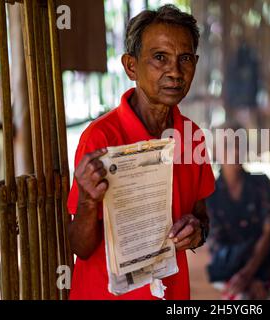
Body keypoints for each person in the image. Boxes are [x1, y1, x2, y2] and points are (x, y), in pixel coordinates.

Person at [67, 5, 215, 300]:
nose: (174, 71)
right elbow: (81, 248)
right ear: (131, 66)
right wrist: (87, 200)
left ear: (195, 64)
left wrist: (197, 231)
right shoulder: (101, 137)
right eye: (160, 57)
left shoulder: (192, 135)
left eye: (184, 59)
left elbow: (201, 215)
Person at [205, 124, 270, 300]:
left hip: (266, 267)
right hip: (230, 271)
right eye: (228, 146)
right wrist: (246, 279)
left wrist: (250, 273)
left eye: (240, 145)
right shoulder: (208, 194)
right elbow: (216, 245)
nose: (236, 151)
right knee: (240, 298)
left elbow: (269, 232)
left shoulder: (261, 183)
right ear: (215, 151)